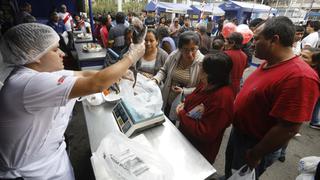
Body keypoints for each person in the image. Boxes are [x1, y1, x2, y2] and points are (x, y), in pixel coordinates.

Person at [0, 23, 145, 179]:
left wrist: (119, 73)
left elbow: (84, 75)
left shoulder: (42, 73)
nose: (62, 53)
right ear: (33, 54)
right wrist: (131, 56)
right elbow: (96, 83)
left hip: (51, 160)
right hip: (34, 172)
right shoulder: (27, 84)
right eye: (55, 50)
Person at [224, 16, 319, 179]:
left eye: (257, 39)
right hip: (240, 135)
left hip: (253, 144)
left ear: (274, 40)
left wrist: (256, 153)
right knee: (230, 173)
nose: (252, 43)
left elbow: (288, 127)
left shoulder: (299, 77)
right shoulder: (269, 62)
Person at [176, 52, 234, 164]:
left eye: (202, 68)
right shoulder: (206, 83)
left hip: (198, 151)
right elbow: (194, 99)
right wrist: (185, 104)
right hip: (186, 139)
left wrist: (182, 114)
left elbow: (206, 133)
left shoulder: (222, 99)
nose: (199, 69)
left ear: (211, 73)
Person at [153, 31, 204, 118]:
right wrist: (156, 79)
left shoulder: (202, 62)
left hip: (187, 104)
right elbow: (164, 70)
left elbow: (202, 87)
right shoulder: (174, 55)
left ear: (198, 48)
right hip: (169, 99)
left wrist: (184, 91)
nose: (190, 54)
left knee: (182, 126)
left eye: (193, 49)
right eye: (186, 50)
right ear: (180, 48)